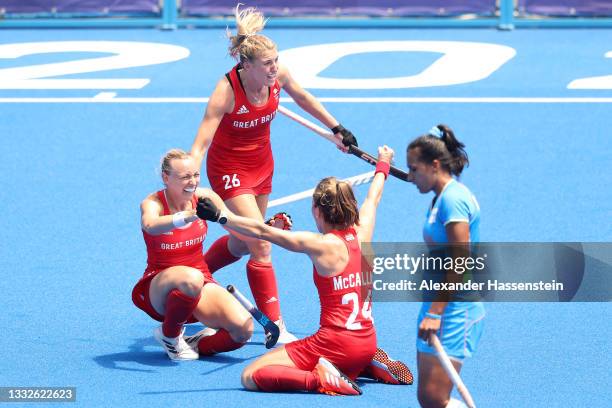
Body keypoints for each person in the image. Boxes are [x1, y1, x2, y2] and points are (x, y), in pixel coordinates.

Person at [190, 4, 358, 343]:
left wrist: (336, 128)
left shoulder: (277, 76)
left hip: (262, 165)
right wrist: (189, 181)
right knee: (261, 244)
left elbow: (304, 96)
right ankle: (276, 326)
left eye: (276, 61)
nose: (274, 68)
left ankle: (199, 272)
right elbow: (201, 143)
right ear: (245, 65)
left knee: (240, 241)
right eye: (267, 63)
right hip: (229, 171)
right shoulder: (225, 92)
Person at [196, 146, 413, 395]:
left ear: (318, 212)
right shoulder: (363, 232)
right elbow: (373, 197)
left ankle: (322, 380)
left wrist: (221, 216)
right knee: (343, 354)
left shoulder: (320, 245)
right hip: (367, 342)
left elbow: (262, 232)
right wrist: (383, 164)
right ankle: (366, 364)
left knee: (251, 375)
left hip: (335, 345)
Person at [131, 149, 253, 361]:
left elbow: (236, 228)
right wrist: (188, 216)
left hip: (199, 279)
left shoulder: (206, 197)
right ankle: (170, 336)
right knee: (191, 278)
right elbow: (150, 225)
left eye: (196, 175)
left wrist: (269, 228)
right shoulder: (153, 203)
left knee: (243, 331)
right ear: (166, 178)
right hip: (159, 286)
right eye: (185, 177)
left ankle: (196, 343)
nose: (193, 181)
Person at [405, 125, 485, 408]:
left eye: (414, 169)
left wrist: (437, 312)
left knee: (436, 398)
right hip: (437, 304)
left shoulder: (454, 199)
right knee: (428, 397)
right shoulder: (440, 198)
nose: (410, 177)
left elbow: (460, 260)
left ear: (434, 165)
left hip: (454, 309)